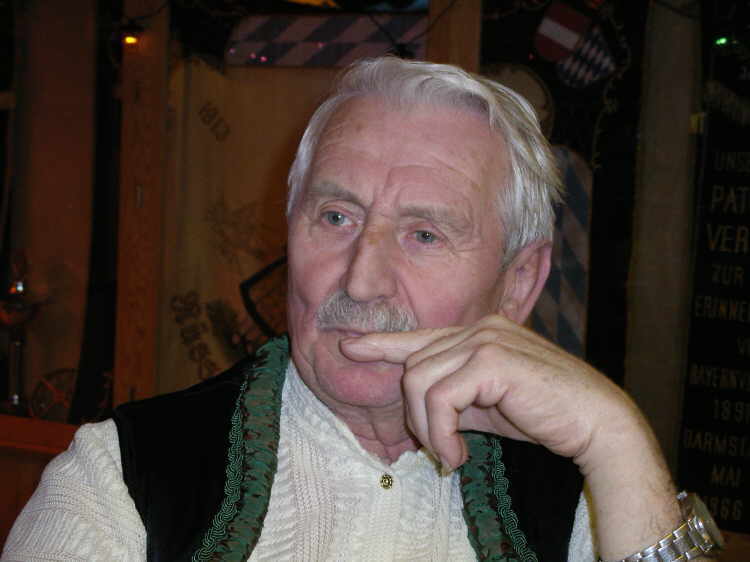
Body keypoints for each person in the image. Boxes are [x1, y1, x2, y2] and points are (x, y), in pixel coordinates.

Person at [2, 57, 721, 562]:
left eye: (425, 234)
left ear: (518, 282)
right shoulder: (121, 476)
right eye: (337, 217)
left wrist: (617, 439)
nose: (363, 280)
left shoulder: (590, 497)